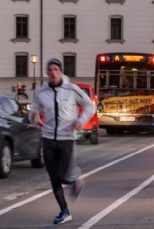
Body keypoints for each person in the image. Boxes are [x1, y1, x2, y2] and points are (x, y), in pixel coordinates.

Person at [30, 59, 95, 224]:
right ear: (47, 72)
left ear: (61, 71)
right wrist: (33, 117)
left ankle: (75, 179)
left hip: (66, 138)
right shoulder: (40, 92)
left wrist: (81, 120)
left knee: (65, 177)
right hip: (48, 138)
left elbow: (90, 106)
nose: (53, 72)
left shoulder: (72, 89)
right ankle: (64, 211)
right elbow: (33, 111)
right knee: (53, 177)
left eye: (56, 69)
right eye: (50, 70)